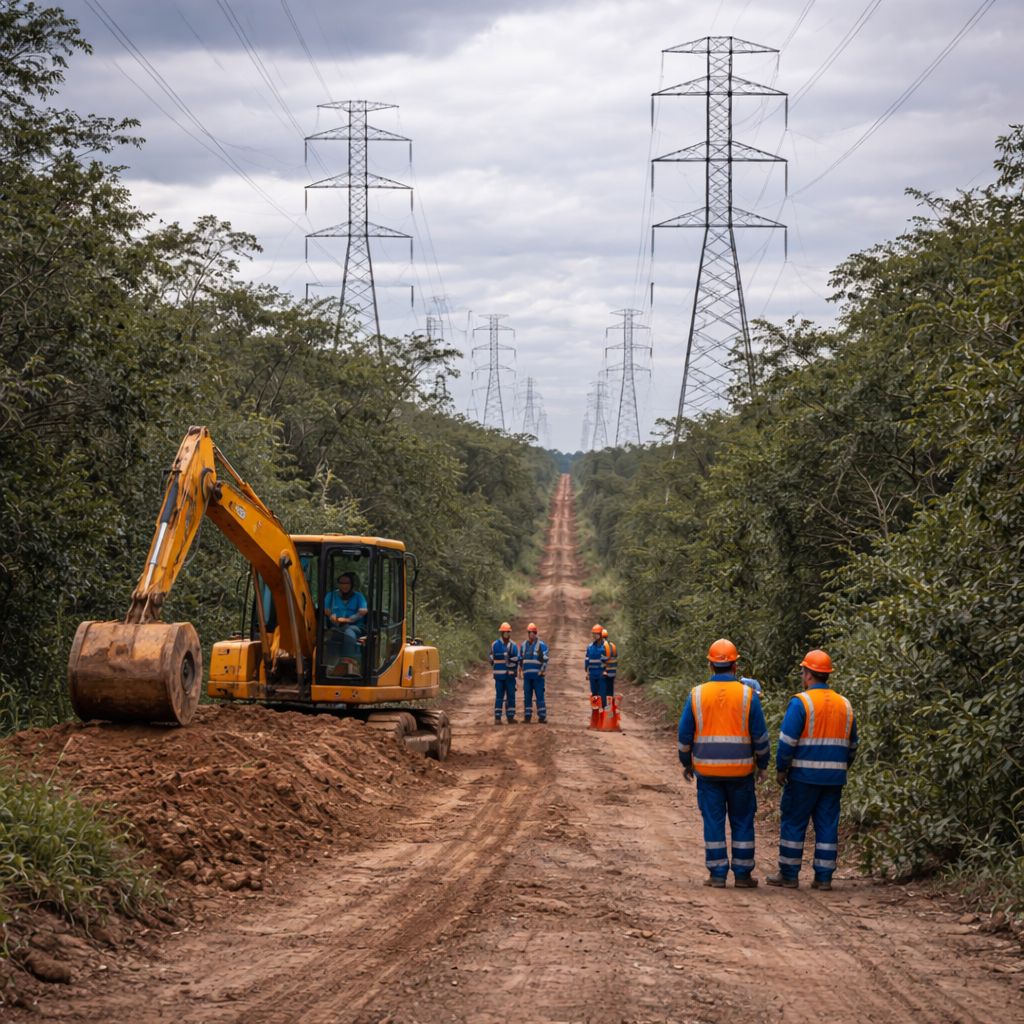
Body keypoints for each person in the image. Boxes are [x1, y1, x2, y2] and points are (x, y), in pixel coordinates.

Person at [678, 638, 771, 888]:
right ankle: (742, 874)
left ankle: (717, 874)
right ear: (735, 666)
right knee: (742, 820)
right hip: (741, 772)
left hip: (708, 772)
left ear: (710, 666)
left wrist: (686, 762)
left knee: (713, 821)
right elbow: (760, 736)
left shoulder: (697, 694)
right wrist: (763, 764)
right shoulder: (748, 695)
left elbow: (685, 736)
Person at [768, 649, 858, 892]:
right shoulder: (845, 704)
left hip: (802, 778)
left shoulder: (802, 702)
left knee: (794, 823)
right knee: (827, 825)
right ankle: (824, 877)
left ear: (807, 674)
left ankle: (789, 875)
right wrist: (841, 767)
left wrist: (781, 768)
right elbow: (853, 745)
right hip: (833, 778)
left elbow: (787, 741)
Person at [323, 572, 368, 662]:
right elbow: (325, 610)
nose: (345, 586)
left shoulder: (358, 596)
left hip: (356, 627)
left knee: (348, 632)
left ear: (351, 584)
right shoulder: (331, 596)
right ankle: (331, 664)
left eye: (347, 583)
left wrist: (349, 620)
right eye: (342, 583)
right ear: (338, 584)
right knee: (333, 636)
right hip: (337, 626)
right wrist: (331, 615)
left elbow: (363, 611)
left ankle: (349, 662)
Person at [489, 622, 519, 724]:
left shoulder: (513, 645)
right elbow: (491, 659)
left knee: (511, 696)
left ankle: (510, 717)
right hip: (499, 677)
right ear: (501, 633)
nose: (506, 633)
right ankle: (497, 718)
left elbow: (516, 660)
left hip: (509, 676)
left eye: (507, 632)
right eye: (504, 632)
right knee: (499, 697)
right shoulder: (495, 645)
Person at [520, 623, 549, 723]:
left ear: (536, 633)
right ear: (528, 634)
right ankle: (527, 717)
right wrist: (521, 671)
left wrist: (542, 670)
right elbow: (520, 659)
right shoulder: (524, 645)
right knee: (527, 696)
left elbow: (545, 659)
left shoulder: (541, 645)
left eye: (533, 633)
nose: (531, 634)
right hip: (527, 677)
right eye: (530, 633)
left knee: (539, 696)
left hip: (538, 676)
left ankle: (542, 717)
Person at [585, 624, 608, 709]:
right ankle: (595, 714)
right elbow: (587, 660)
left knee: (602, 693)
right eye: (593, 634)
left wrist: (607, 671)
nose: (595, 635)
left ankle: (604, 711)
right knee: (594, 693)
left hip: (601, 674)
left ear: (601, 634)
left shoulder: (605, 647)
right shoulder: (590, 647)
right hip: (592, 674)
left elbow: (609, 661)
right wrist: (587, 673)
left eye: (596, 633)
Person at [601, 627, 618, 709]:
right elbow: (614, 657)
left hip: (605, 671)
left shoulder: (602, 646)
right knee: (610, 690)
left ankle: (604, 707)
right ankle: (610, 706)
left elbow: (604, 659)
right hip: (612, 671)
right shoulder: (613, 645)